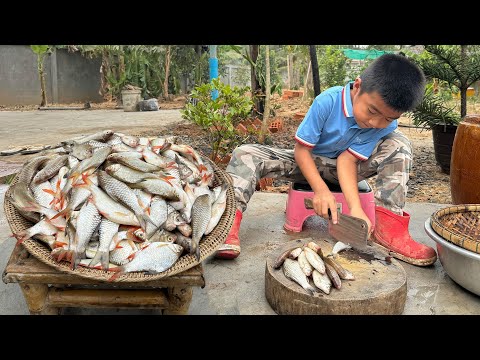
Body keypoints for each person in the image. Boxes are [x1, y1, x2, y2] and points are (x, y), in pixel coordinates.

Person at [215, 53, 437, 267]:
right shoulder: (328, 102)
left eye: (388, 118)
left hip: (348, 169)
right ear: (358, 86)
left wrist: (356, 209)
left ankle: (390, 231)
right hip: (306, 163)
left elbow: (347, 160)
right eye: (372, 111)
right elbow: (301, 151)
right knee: (246, 153)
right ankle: (227, 225)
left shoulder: (385, 124)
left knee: (398, 144)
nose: (376, 123)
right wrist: (321, 191)